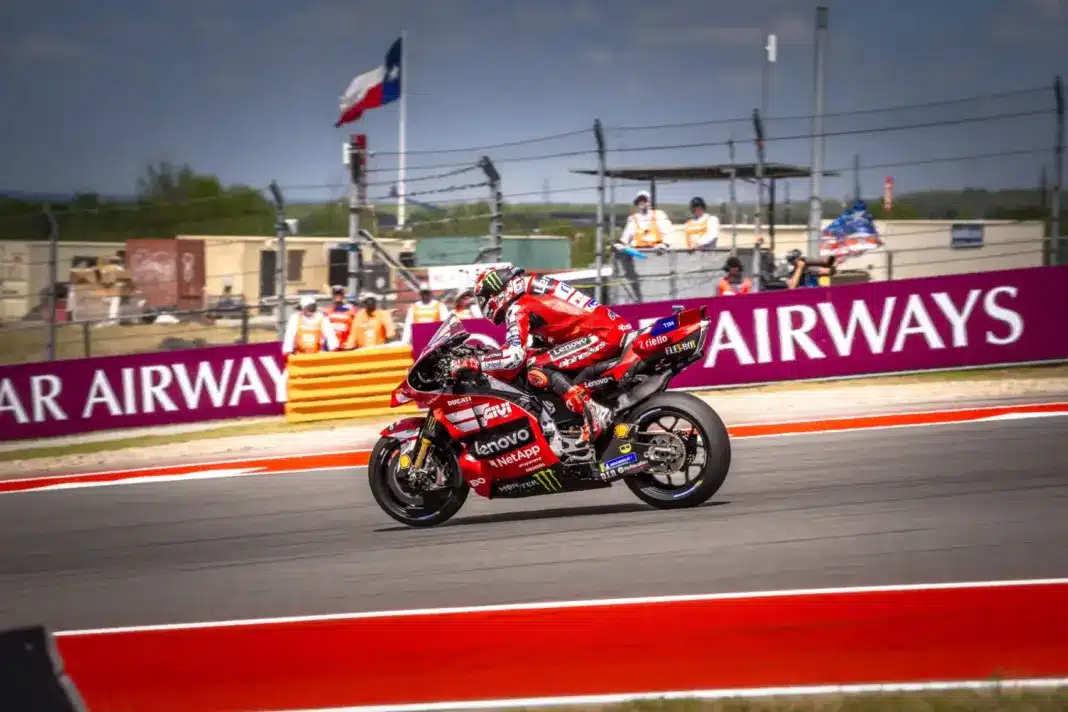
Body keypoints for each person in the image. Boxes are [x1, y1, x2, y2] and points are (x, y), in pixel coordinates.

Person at [448, 266, 632, 463]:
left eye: (484, 298)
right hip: (605, 330)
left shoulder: (518, 306)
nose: (484, 305)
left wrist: (475, 362)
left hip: (600, 336)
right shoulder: (533, 287)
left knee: (538, 366)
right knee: (537, 358)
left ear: (496, 292)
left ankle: (594, 412)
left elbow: (514, 356)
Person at [325, 285, 356, 350]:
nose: (337, 296)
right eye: (335, 294)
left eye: (340, 294)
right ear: (332, 295)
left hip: (346, 347)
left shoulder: (351, 310)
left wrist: (350, 344)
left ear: (343, 295)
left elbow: (355, 329)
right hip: (331, 347)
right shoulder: (327, 311)